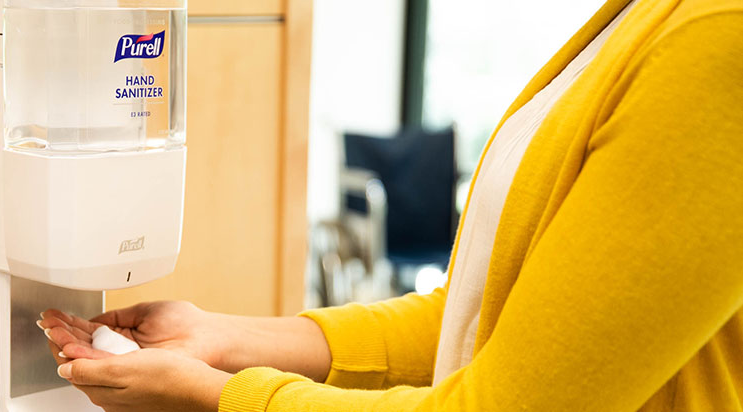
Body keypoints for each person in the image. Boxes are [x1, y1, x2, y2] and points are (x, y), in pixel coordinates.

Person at [37, 0, 743, 410]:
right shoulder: (645, 17)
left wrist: (215, 392)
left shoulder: (718, 41)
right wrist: (223, 338)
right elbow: (494, 308)